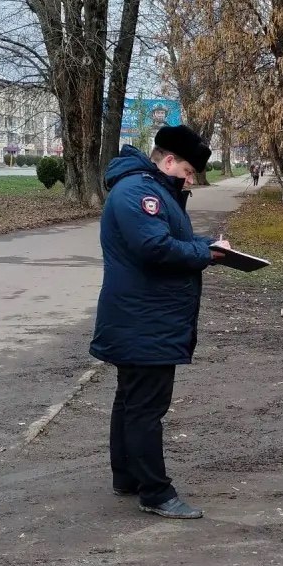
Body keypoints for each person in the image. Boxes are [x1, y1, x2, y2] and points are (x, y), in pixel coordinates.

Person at [91, 125, 227, 520]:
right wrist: (206, 255)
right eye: (186, 172)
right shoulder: (140, 192)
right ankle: (155, 492)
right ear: (168, 161)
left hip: (142, 318)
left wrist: (206, 245)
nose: (189, 181)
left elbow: (166, 237)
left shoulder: (150, 190)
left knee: (131, 400)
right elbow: (155, 247)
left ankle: (127, 476)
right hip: (144, 321)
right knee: (146, 407)